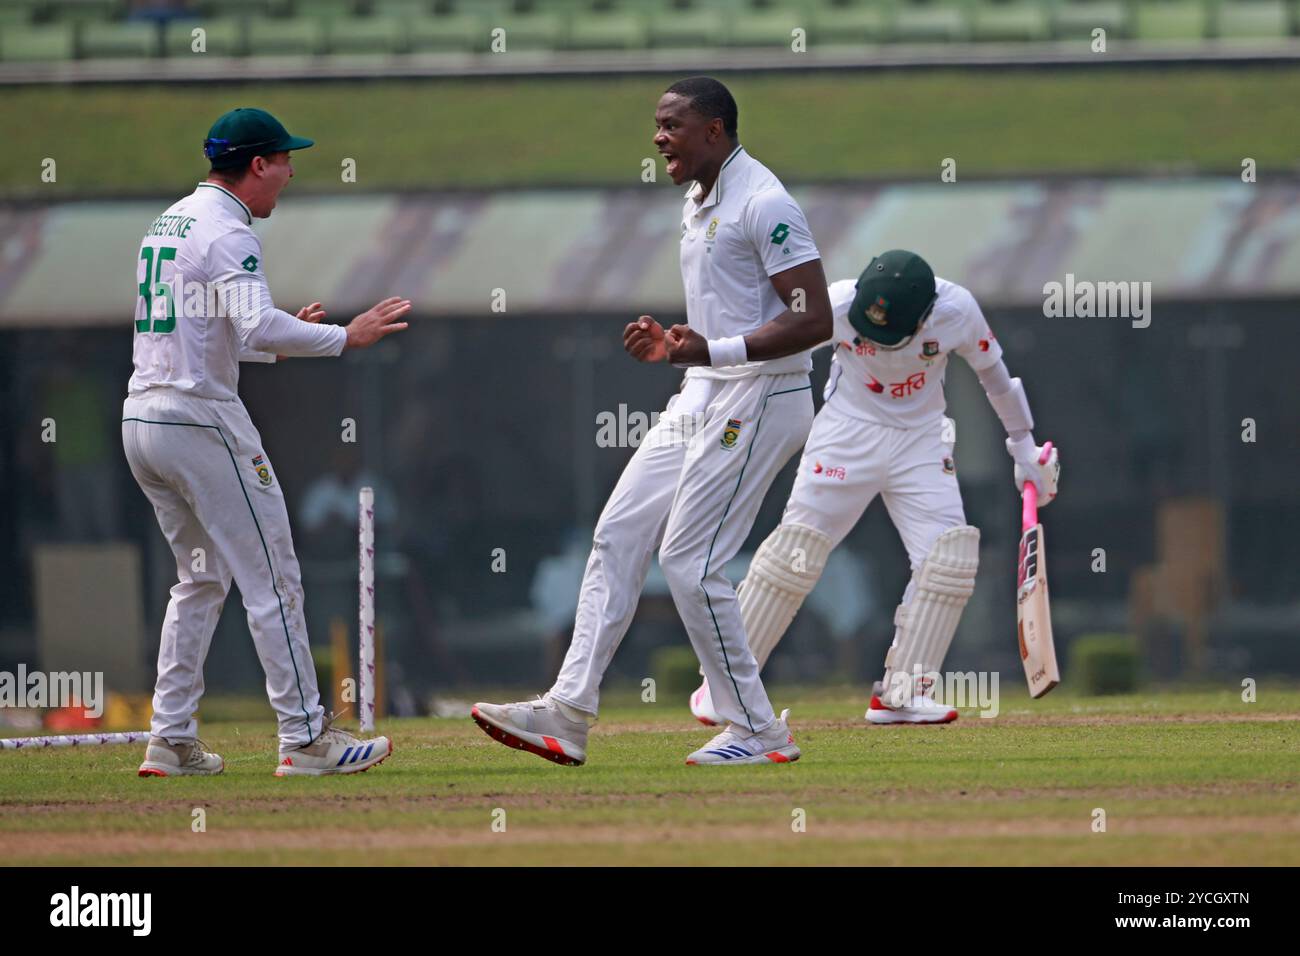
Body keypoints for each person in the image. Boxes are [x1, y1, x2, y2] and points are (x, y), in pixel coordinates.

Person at [472, 76, 833, 766]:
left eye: (672, 125)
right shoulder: (699, 202)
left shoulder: (765, 202)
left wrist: (714, 348)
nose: (658, 137)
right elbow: (724, 318)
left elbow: (813, 319)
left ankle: (757, 730)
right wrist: (676, 346)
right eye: (656, 124)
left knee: (690, 563)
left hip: (761, 397)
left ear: (715, 132)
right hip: (703, 389)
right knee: (618, 531)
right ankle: (569, 711)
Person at [123, 107, 410, 776]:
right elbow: (255, 330)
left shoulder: (169, 221)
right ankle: (306, 737)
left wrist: (286, 334)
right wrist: (346, 335)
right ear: (258, 165)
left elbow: (210, 334)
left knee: (198, 580)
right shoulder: (230, 232)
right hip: (200, 421)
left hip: (145, 418)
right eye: (283, 160)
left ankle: (169, 737)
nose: (289, 172)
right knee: (273, 577)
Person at [688, 250, 1061, 726]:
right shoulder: (837, 304)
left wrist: (1023, 448)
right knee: (794, 555)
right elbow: (769, 350)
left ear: (924, 314)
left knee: (949, 559)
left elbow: (994, 378)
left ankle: (903, 692)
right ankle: (723, 686)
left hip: (922, 440)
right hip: (846, 433)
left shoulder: (957, 310)